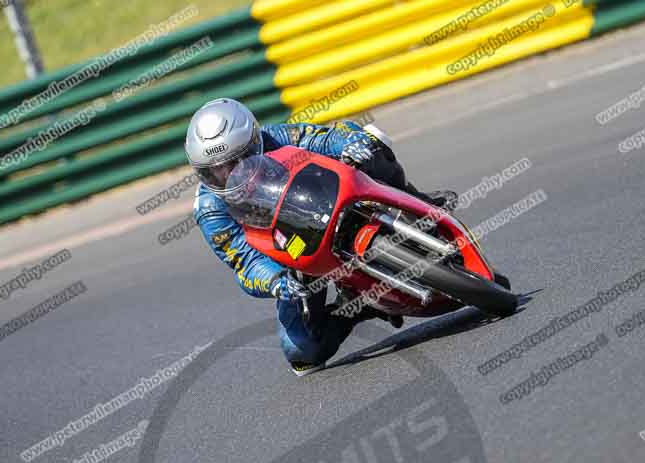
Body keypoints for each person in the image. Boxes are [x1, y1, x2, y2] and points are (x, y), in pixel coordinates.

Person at [187, 98, 456, 376]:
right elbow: (245, 262)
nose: (229, 174)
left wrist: (351, 143)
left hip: (324, 199)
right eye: (214, 170)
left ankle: (418, 202)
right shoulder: (211, 211)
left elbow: (324, 138)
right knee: (301, 353)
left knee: (370, 141)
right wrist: (276, 281)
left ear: (255, 143)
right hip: (293, 256)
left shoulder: (275, 138)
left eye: (237, 161)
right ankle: (355, 306)